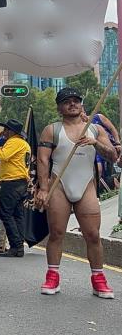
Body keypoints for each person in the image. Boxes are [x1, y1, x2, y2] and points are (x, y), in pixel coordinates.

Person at [35, 88, 116, 299]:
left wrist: (95, 143)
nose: (72, 104)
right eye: (67, 101)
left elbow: (113, 156)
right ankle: (52, 275)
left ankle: (98, 279)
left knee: (93, 235)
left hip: (86, 186)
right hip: (59, 185)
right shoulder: (51, 130)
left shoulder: (95, 129)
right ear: (59, 107)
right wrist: (43, 189)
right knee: (56, 233)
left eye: (76, 101)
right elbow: (42, 160)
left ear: (81, 104)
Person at [0, 119, 30, 258]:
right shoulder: (24, 143)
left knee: (6, 214)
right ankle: (19, 245)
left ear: (12, 131)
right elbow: (13, 161)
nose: (4, 132)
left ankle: (16, 246)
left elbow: (3, 155)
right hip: (21, 182)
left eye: (6, 130)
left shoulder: (13, 142)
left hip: (11, 183)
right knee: (17, 215)